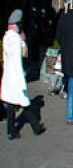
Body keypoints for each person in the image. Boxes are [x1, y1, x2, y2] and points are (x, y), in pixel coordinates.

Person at [2, 10, 46, 139]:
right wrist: (23, 41)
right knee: (24, 102)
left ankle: (11, 131)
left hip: (8, 76)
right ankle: (36, 127)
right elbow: (21, 56)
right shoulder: (16, 39)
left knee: (11, 104)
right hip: (16, 76)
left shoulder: (6, 37)